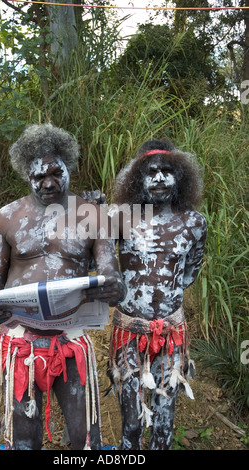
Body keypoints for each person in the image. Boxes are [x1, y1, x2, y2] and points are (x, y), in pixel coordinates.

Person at [0, 123, 126, 450]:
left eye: (56, 173)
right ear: (26, 177)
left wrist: (116, 289)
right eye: (38, 177)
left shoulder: (93, 215)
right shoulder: (7, 216)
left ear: (69, 169)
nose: (48, 182)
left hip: (70, 340)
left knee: (86, 441)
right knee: (24, 442)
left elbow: (112, 272)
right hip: (20, 343)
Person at [107, 139, 207, 450]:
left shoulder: (194, 223)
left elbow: (190, 271)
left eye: (167, 171)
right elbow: (99, 260)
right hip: (128, 333)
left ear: (181, 177)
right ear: (138, 178)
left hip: (171, 333)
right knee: (132, 422)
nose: (160, 178)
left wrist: (165, 300)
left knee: (164, 418)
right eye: (152, 172)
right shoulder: (120, 218)